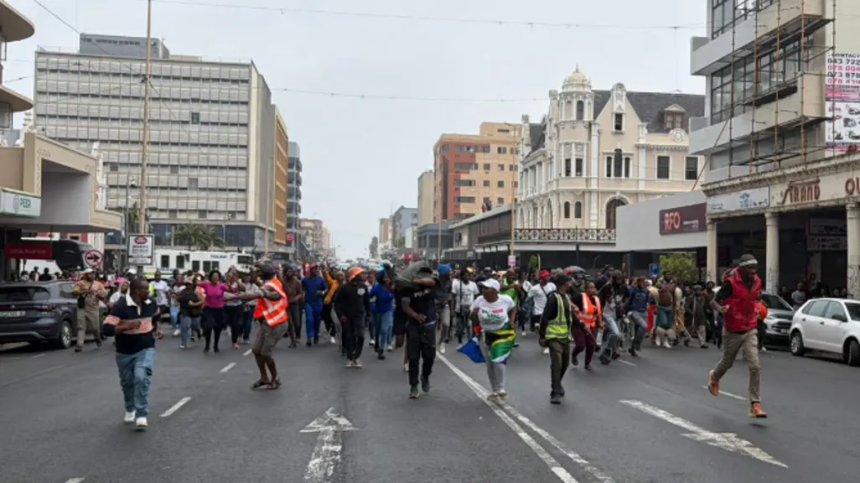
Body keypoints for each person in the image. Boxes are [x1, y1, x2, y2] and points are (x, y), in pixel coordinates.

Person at [708, 254, 767, 419]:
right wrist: (721, 309)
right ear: (742, 269)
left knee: (755, 365)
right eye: (750, 268)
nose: (753, 271)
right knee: (728, 362)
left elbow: (756, 298)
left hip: (750, 328)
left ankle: (755, 404)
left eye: (755, 268)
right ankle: (715, 376)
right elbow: (714, 301)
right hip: (732, 329)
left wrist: (758, 306)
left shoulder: (757, 282)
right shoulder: (730, 283)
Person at [103, 278, 162, 430]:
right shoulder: (120, 307)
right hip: (125, 351)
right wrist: (125, 327)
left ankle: (141, 414)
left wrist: (157, 328)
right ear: (137, 292)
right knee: (127, 382)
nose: (148, 293)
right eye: (146, 290)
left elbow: (156, 315)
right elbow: (107, 330)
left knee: (142, 378)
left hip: (146, 347)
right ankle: (130, 408)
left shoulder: (151, 303)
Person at [231, 263, 289, 389]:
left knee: (265, 353)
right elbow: (256, 280)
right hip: (268, 322)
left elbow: (254, 295)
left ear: (262, 275)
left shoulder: (271, 287)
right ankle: (264, 378)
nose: (256, 275)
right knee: (257, 350)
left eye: (259, 273)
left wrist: (232, 297)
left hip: (277, 324)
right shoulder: (273, 281)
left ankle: (275, 378)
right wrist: (256, 266)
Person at [471, 279, 517, 400]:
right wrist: (474, 315)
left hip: (503, 332)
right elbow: (472, 319)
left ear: (495, 290)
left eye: (486, 288)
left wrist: (512, 322)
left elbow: (514, 308)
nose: (483, 290)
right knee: (490, 363)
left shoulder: (505, 300)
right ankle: (495, 390)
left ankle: (501, 388)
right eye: (482, 288)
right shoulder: (479, 301)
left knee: (498, 359)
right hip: (485, 333)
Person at [539, 274, 580, 404]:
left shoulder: (566, 298)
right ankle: (555, 391)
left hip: (565, 337)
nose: (570, 285)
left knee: (565, 364)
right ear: (564, 284)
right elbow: (544, 318)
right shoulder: (553, 298)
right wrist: (542, 336)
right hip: (553, 336)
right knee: (556, 364)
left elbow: (571, 315)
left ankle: (558, 384)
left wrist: (582, 326)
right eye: (568, 282)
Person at [400, 265, 439, 399]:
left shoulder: (432, 284)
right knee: (414, 358)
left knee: (429, 356)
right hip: (413, 325)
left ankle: (425, 376)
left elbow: (432, 282)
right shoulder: (407, 288)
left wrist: (419, 281)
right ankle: (413, 386)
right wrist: (415, 315)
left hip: (429, 325)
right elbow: (405, 306)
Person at [335, 267, 371, 368]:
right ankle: (350, 358)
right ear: (355, 276)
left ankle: (357, 356)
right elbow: (337, 303)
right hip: (347, 317)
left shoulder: (363, 287)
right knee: (349, 337)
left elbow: (367, 302)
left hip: (359, 316)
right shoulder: (344, 288)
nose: (364, 276)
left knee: (361, 336)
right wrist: (341, 315)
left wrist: (368, 315)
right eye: (361, 274)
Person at [72, 268, 107, 352]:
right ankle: (79, 344)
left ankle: (97, 338)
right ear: (85, 275)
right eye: (90, 274)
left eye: (93, 274)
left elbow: (104, 295)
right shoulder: (80, 283)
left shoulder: (99, 284)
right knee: (81, 327)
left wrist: (99, 295)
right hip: (82, 308)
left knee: (95, 328)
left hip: (94, 309)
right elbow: (75, 292)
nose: (92, 275)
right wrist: (87, 291)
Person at [596, 271, 627, 365]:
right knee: (615, 333)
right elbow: (598, 298)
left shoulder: (623, 287)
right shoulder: (607, 287)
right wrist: (599, 314)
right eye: (617, 279)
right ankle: (607, 350)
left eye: (621, 279)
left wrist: (623, 304)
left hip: (617, 314)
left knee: (617, 335)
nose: (619, 281)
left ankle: (607, 351)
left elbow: (627, 296)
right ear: (613, 279)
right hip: (607, 313)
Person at [571, 281, 600, 370]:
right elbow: (568, 301)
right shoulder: (580, 296)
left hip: (592, 325)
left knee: (591, 344)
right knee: (580, 345)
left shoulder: (596, 299)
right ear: (586, 290)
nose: (593, 289)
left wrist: (601, 323)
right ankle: (574, 354)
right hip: (579, 325)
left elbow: (599, 313)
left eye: (594, 287)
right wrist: (574, 306)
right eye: (591, 288)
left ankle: (587, 363)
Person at [200, 270, 230, 353]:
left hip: (219, 309)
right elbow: (197, 283)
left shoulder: (221, 286)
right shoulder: (206, 284)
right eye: (213, 276)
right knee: (209, 326)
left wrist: (230, 284)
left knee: (217, 328)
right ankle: (207, 345)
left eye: (217, 277)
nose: (215, 278)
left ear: (219, 278)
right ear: (211, 278)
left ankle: (216, 345)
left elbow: (230, 290)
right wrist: (197, 276)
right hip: (209, 308)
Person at [302, 264, 328, 347]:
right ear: (310, 270)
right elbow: (301, 288)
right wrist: (302, 296)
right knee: (309, 319)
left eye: (316, 269)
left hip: (318, 302)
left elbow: (326, 289)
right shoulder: (305, 280)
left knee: (317, 320)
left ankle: (316, 334)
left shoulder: (321, 280)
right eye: (313, 269)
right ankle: (309, 337)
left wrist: (322, 292)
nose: (315, 270)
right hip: (308, 302)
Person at [451, 269, 479, 346]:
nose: (466, 277)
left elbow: (476, 297)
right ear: (461, 276)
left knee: (470, 326)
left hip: (471, 308)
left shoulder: (473, 285)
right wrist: (452, 309)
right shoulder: (457, 285)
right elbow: (453, 297)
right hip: (459, 308)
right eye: (465, 275)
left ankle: (471, 341)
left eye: (468, 275)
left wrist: (476, 308)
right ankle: (460, 342)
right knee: (460, 327)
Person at [370, 273, 395, 359]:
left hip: (387, 311)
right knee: (377, 330)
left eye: (388, 278)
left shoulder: (391, 287)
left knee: (384, 330)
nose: (387, 279)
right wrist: (371, 306)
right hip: (377, 311)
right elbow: (370, 297)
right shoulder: (377, 288)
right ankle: (377, 341)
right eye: (385, 278)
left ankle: (381, 349)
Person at [625, 276, 651, 357]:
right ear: (638, 282)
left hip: (643, 311)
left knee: (638, 330)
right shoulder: (633, 289)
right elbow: (627, 299)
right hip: (634, 311)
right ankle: (637, 343)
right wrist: (626, 311)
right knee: (644, 326)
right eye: (641, 281)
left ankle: (632, 348)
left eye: (644, 282)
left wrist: (647, 306)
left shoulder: (646, 291)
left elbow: (647, 300)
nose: (642, 283)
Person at [178, 279, 204, 349]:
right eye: (186, 284)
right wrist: (176, 301)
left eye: (189, 284)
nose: (188, 286)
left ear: (192, 285)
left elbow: (202, 301)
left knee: (195, 326)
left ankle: (198, 330)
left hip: (195, 311)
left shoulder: (196, 292)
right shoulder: (182, 292)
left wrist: (195, 304)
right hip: (185, 311)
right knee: (185, 326)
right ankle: (183, 342)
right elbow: (178, 299)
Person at [654, 271, 677, 348]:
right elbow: (654, 293)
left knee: (668, 325)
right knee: (663, 322)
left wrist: (674, 307)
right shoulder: (659, 284)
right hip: (661, 306)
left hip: (670, 306)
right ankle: (657, 335)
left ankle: (665, 341)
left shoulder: (673, 285)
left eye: (669, 274)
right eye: (667, 274)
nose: (668, 275)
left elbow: (674, 296)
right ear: (663, 276)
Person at [283, 266, 304, 348]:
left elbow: (300, 293)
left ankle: (297, 334)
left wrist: (296, 298)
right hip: (285, 304)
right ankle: (293, 340)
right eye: (287, 272)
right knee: (289, 323)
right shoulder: (282, 281)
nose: (289, 273)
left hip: (294, 304)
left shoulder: (297, 282)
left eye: (290, 271)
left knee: (297, 323)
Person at [435, 265, 453, 354]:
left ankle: (442, 342)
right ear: (443, 272)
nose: (450, 273)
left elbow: (449, 292)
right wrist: (436, 301)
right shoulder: (434, 282)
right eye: (449, 271)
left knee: (446, 324)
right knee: (431, 326)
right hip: (434, 306)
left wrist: (448, 299)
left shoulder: (449, 281)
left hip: (444, 306)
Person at [242, 273, 262, 345]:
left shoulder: (254, 287)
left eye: (248, 277)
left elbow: (257, 297)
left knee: (248, 322)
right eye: (245, 276)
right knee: (242, 322)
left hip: (251, 306)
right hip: (242, 305)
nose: (247, 278)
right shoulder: (241, 285)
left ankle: (246, 337)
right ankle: (240, 332)